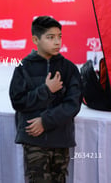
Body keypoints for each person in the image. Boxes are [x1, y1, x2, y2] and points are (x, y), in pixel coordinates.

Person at [9, 16, 82, 183]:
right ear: (36, 39)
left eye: (59, 36)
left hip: (61, 138)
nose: (57, 42)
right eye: (50, 37)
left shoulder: (69, 68)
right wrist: (46, 90)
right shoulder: (23, 67)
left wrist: (45, 121)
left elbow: (73, 104)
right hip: (33, 139)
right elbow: (18, 101)